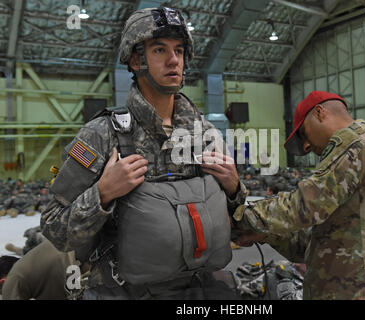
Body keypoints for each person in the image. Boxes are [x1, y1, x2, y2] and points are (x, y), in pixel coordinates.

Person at [40, 7, 247, 300]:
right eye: (160, 50)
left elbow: (235, 225)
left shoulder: (206, 134)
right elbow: (53, 228)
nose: (174, 60)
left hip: (197, 291)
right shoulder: (102, 135)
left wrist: (235, 190)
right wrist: (102, 194)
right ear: (137, 60)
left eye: (179, 50)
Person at [231, 90, 365, 299]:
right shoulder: (351, 168)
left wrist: (241, 217)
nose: (306, 146)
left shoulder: (364, 138)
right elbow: (312, 245)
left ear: (320, 113)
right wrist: (265, 233)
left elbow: (309, 203)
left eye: (303, 134)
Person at [2, 239, 84, 300]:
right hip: (79, 254)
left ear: (3, 281)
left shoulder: (13, 278)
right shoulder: (31, 267)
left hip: (78, 269)